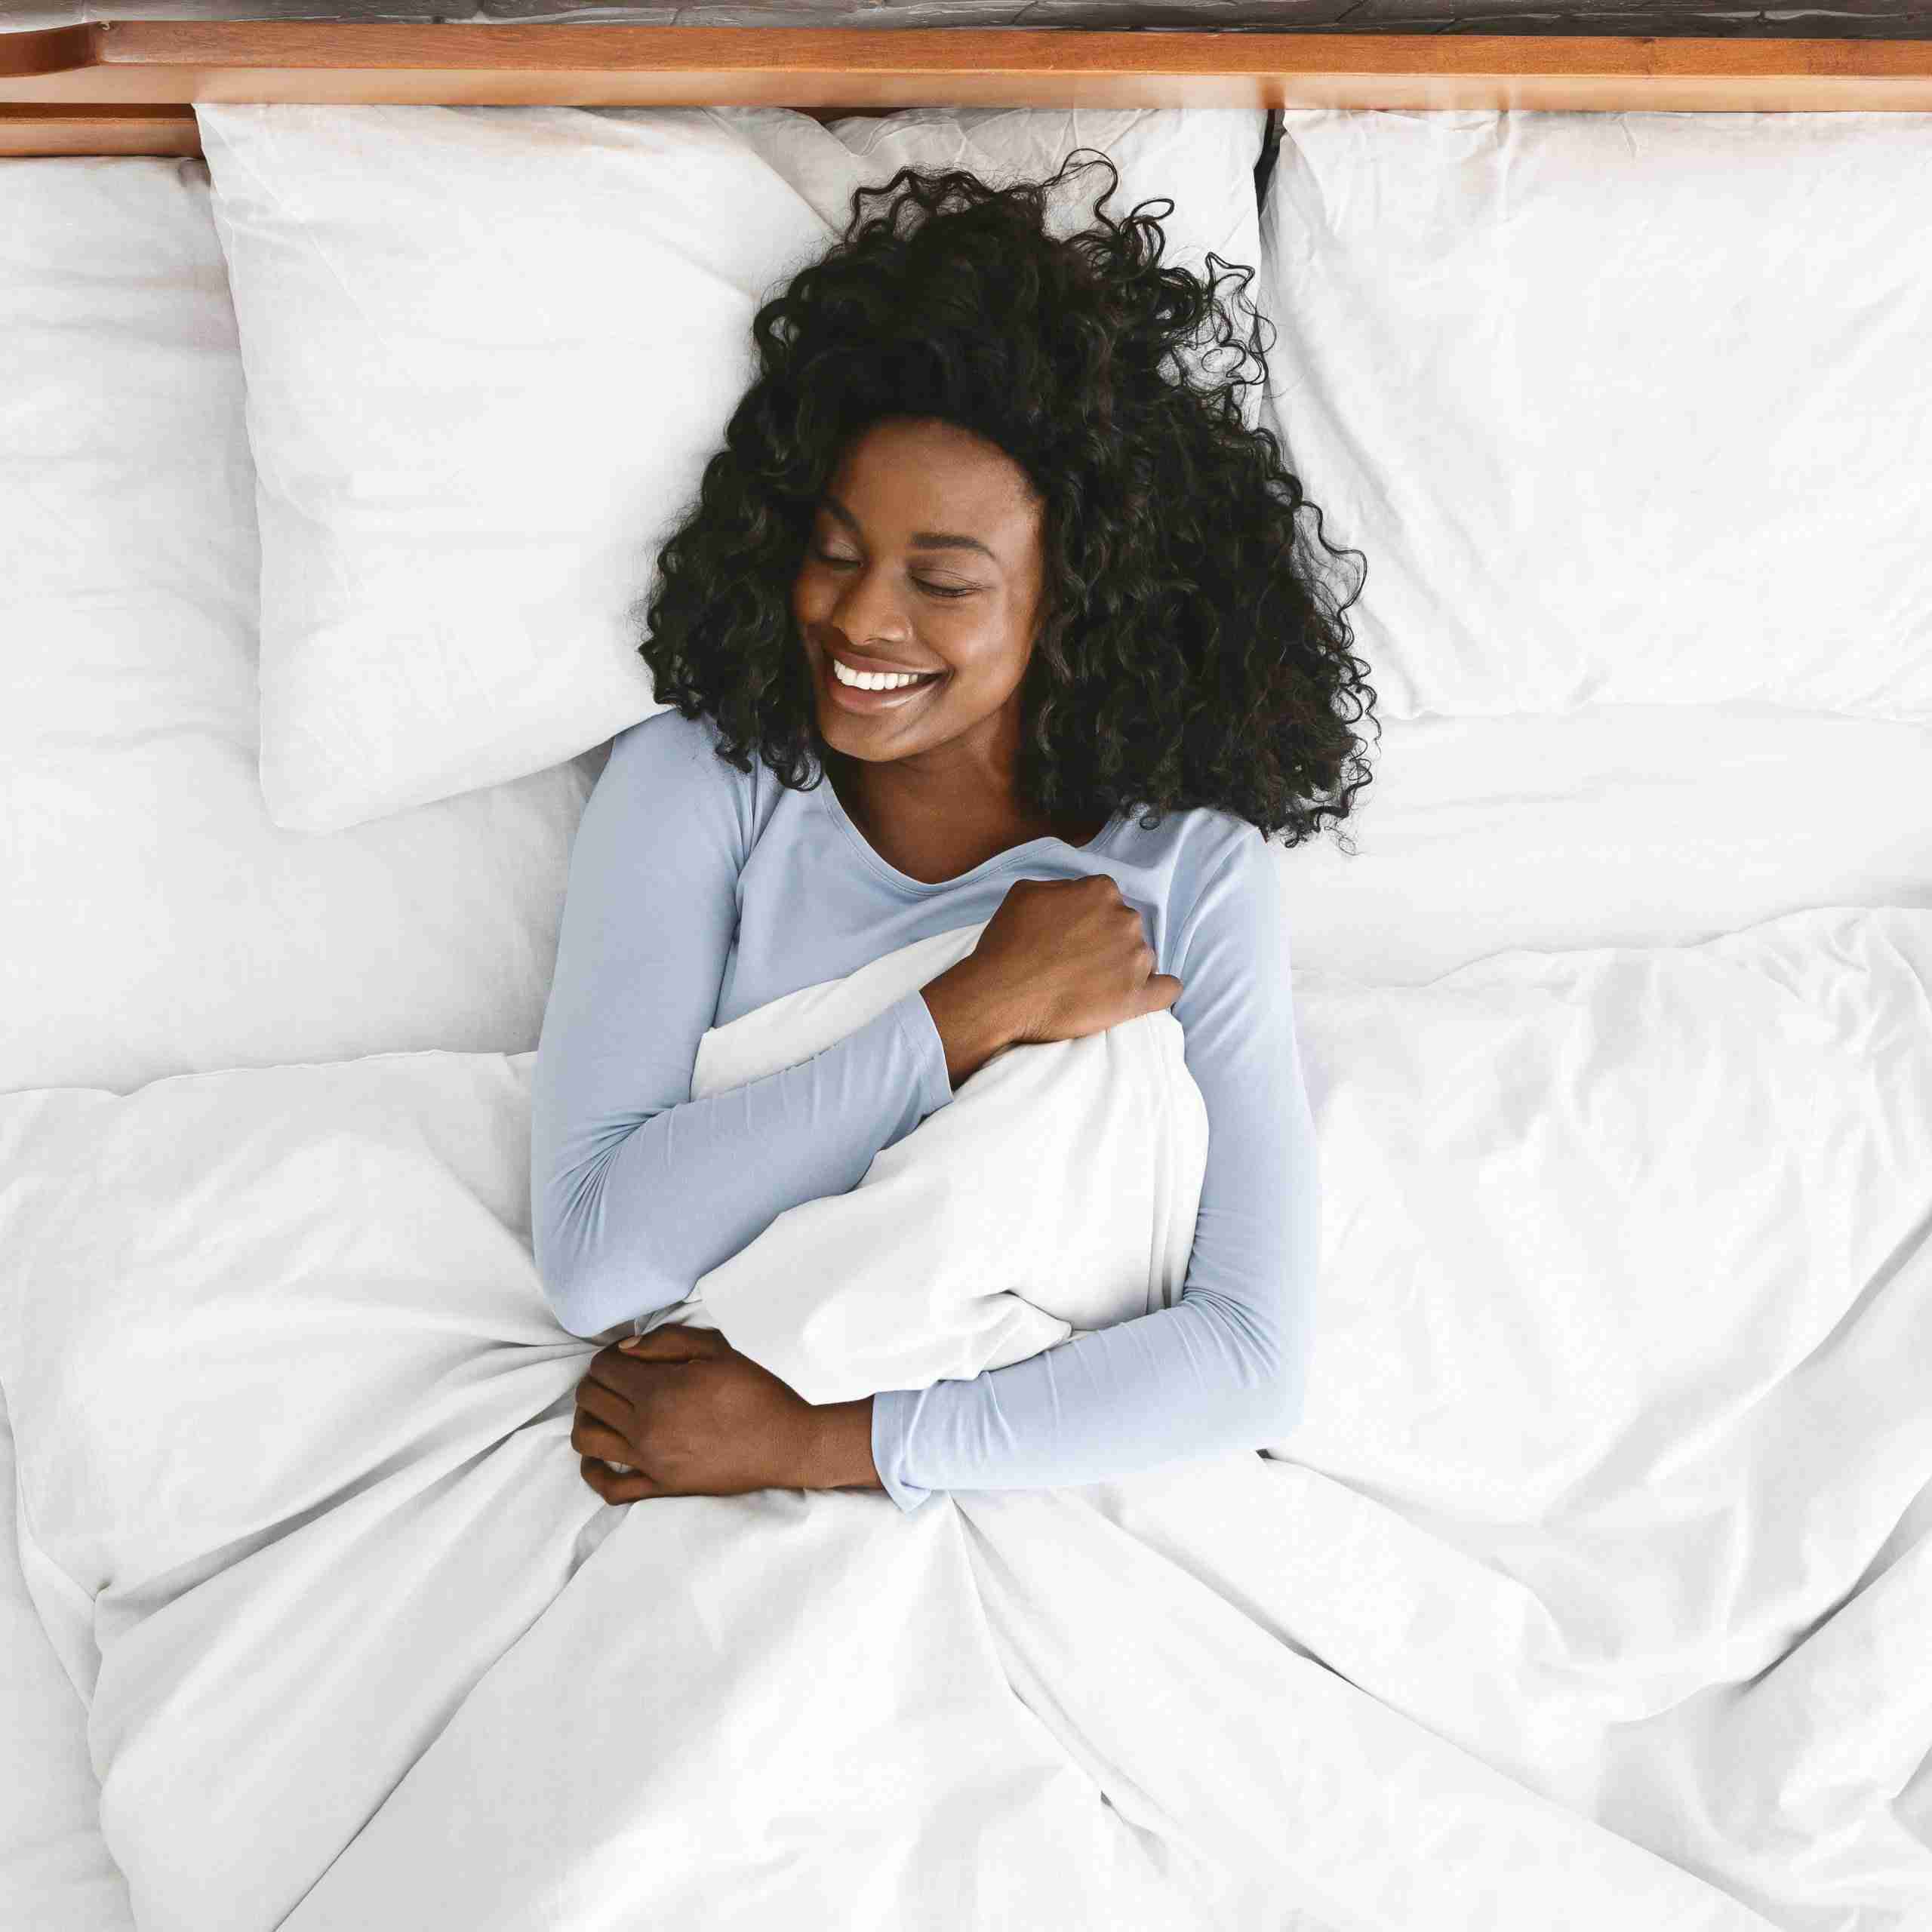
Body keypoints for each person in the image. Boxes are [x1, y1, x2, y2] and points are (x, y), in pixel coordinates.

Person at [534, 151, 1377, 1515]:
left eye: (944, 582)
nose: (863, 622)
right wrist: (965, 1012)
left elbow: (1247, 1359)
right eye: (835, 551)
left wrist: (817, 1445)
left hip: (971, 1464)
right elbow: (594, 1253)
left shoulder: (1190, 870)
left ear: (1071, 603)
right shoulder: (706, 779)